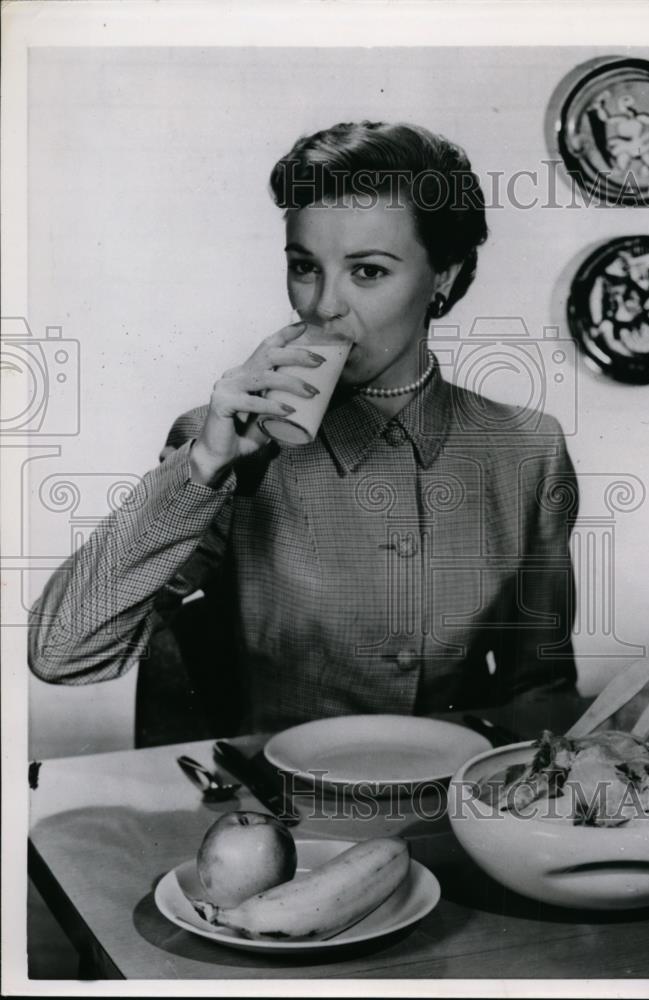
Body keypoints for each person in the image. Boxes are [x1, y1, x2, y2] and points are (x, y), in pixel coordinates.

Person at [29, 120, 578, 737]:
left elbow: (541, 688)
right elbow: (61, 653)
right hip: (278, 814)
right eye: (304, 266)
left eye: (367, 271)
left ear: (444, 276)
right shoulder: (229, 445)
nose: (323, 305)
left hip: (451, 810)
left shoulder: (528, 448)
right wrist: (205, 466)